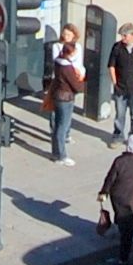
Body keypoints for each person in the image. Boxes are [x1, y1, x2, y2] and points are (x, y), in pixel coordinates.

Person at [97, 143, 133, 265]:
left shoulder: (119, 162)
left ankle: (123, 256)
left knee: (121, 219)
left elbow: (110, 178)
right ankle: (124, 248)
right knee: (130, 226)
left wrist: (104, 192)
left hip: (118, 197)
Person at [106, 21, 133, 147]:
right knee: (120, 113)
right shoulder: (117, 47)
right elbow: (111, 66)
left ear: (132, 35)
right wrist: (115, 83)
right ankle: (118, 135)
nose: (122, 39)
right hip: (121, 87)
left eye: (125, 36)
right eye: (122, 36)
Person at [45, 29, 84, 166]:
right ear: (71, 53)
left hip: (57, 95)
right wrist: (82, 86)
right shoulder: (67, 68)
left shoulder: (58, 63)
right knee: (63, 126)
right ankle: (62, 155)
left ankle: (55, 153)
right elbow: (75, 85)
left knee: (57, 126)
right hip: (66, 98)